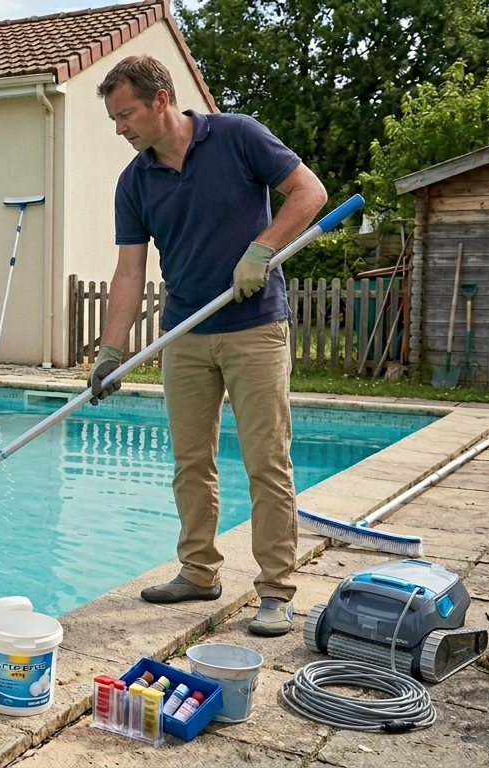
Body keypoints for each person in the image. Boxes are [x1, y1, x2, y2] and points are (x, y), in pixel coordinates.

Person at [88, 55, 327, 637]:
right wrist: (110, 351)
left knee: (266, 461)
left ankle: (275, 590)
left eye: (126, 115)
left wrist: (263, 248)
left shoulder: (238, 137)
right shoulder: (135, 181)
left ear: (161, 98)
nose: (120, 129)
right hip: (185, 333)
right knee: (190, 461)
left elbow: (309, 192)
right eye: (114, 119)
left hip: (254, 328)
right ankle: (199, 571)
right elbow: (126, 272)